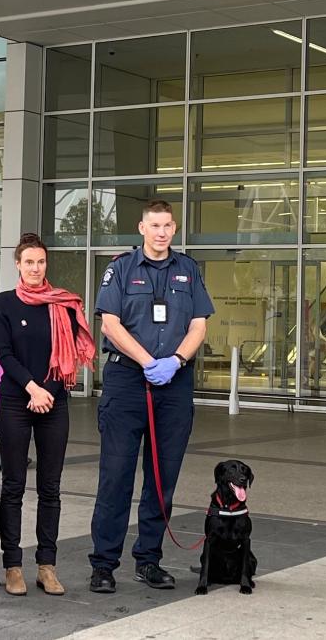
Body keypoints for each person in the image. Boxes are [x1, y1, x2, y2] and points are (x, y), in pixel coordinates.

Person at [88, 200, 215, 595]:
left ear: (174, 229)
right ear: (141, 228)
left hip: (173, 385)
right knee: (116, 478)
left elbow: (199, 326)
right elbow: (110, 323)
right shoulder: (121, 269)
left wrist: (175, 361)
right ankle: (104, 565)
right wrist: (146, 361)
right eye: (154, 225)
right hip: (128, 381)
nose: (161, 232)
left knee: (162, 480)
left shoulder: (188, 270)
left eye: (167, 226)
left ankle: (148, 560)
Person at [0, 233, 95, 597]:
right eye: (29, 262)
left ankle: (46, 567)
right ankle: (13, 566)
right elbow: (4, 355)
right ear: (18, 265)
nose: (36, 268)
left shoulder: (62, 304)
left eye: (41, 262)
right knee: (14, 487)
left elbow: (67, 360)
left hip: (54, 401)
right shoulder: (4, 303)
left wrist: (46, 392)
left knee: (51, 488)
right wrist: (32, 388)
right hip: (15, 403)